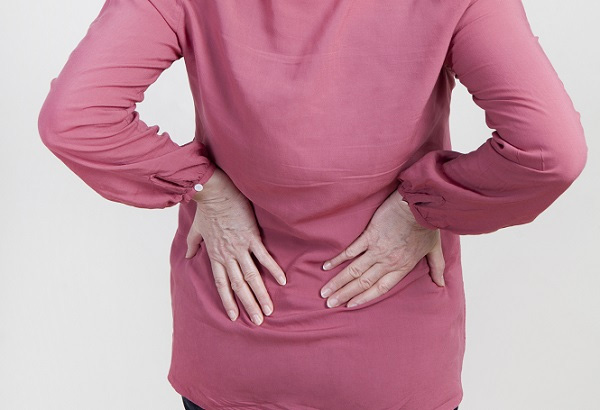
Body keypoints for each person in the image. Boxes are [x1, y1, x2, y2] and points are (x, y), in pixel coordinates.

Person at [37, 0, 587, 408]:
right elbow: (550, 151)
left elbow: (75, 119)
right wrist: (423, 207)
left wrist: (207, 189)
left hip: (236, 338)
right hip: (390, 360)